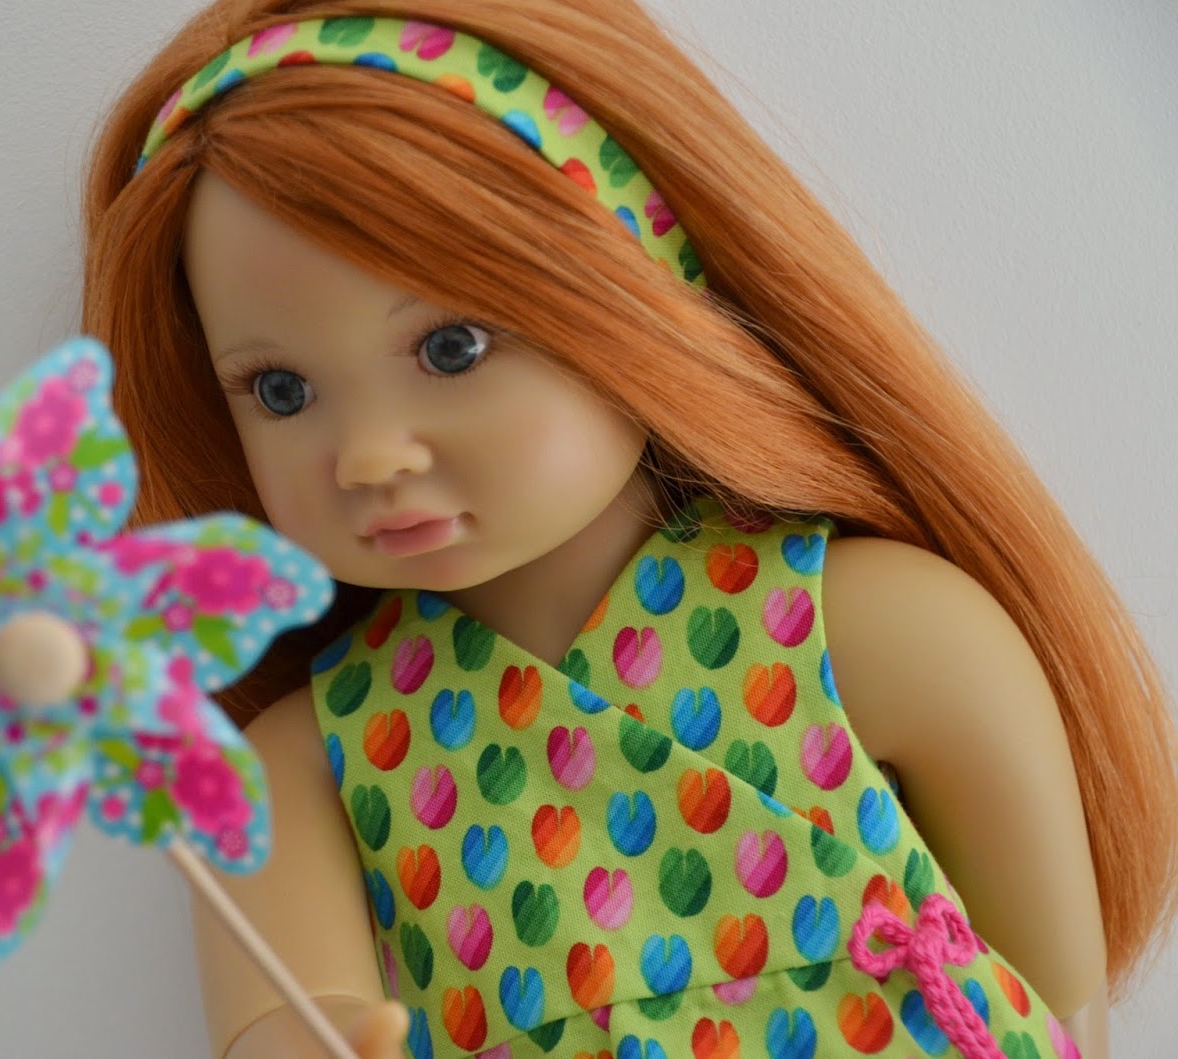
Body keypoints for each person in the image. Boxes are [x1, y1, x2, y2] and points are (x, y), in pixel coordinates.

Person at [78, 2, 1178, 1055]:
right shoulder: (317, 758)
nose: (368, 456)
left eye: (453, 349)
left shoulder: (883, 629)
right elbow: (288, 1016)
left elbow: (1053, 1001)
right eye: (280, 391)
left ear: (625, 299)